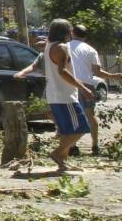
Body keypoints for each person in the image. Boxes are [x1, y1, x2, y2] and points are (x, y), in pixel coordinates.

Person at [15, 18, 94, 173]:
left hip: (55, 95)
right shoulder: (61, 48)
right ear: (65, 32)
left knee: (67, 131)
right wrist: (83, 88)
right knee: (81, 128)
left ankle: (63, 162)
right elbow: (63, 72)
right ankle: (58, 154)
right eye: (69, 29)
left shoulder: (49, 46)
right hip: (65, 96)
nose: (71, 32)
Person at [68, 24, 122, 156]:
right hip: (87, 85)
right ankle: (95, 146)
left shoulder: (65, 47)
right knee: (90, 115)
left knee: (73, 116)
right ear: (85, 36)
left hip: (70, 83)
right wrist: (113, 76)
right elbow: (97, 72)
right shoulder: (91, 50)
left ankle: (73, 146)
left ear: (72, 33)